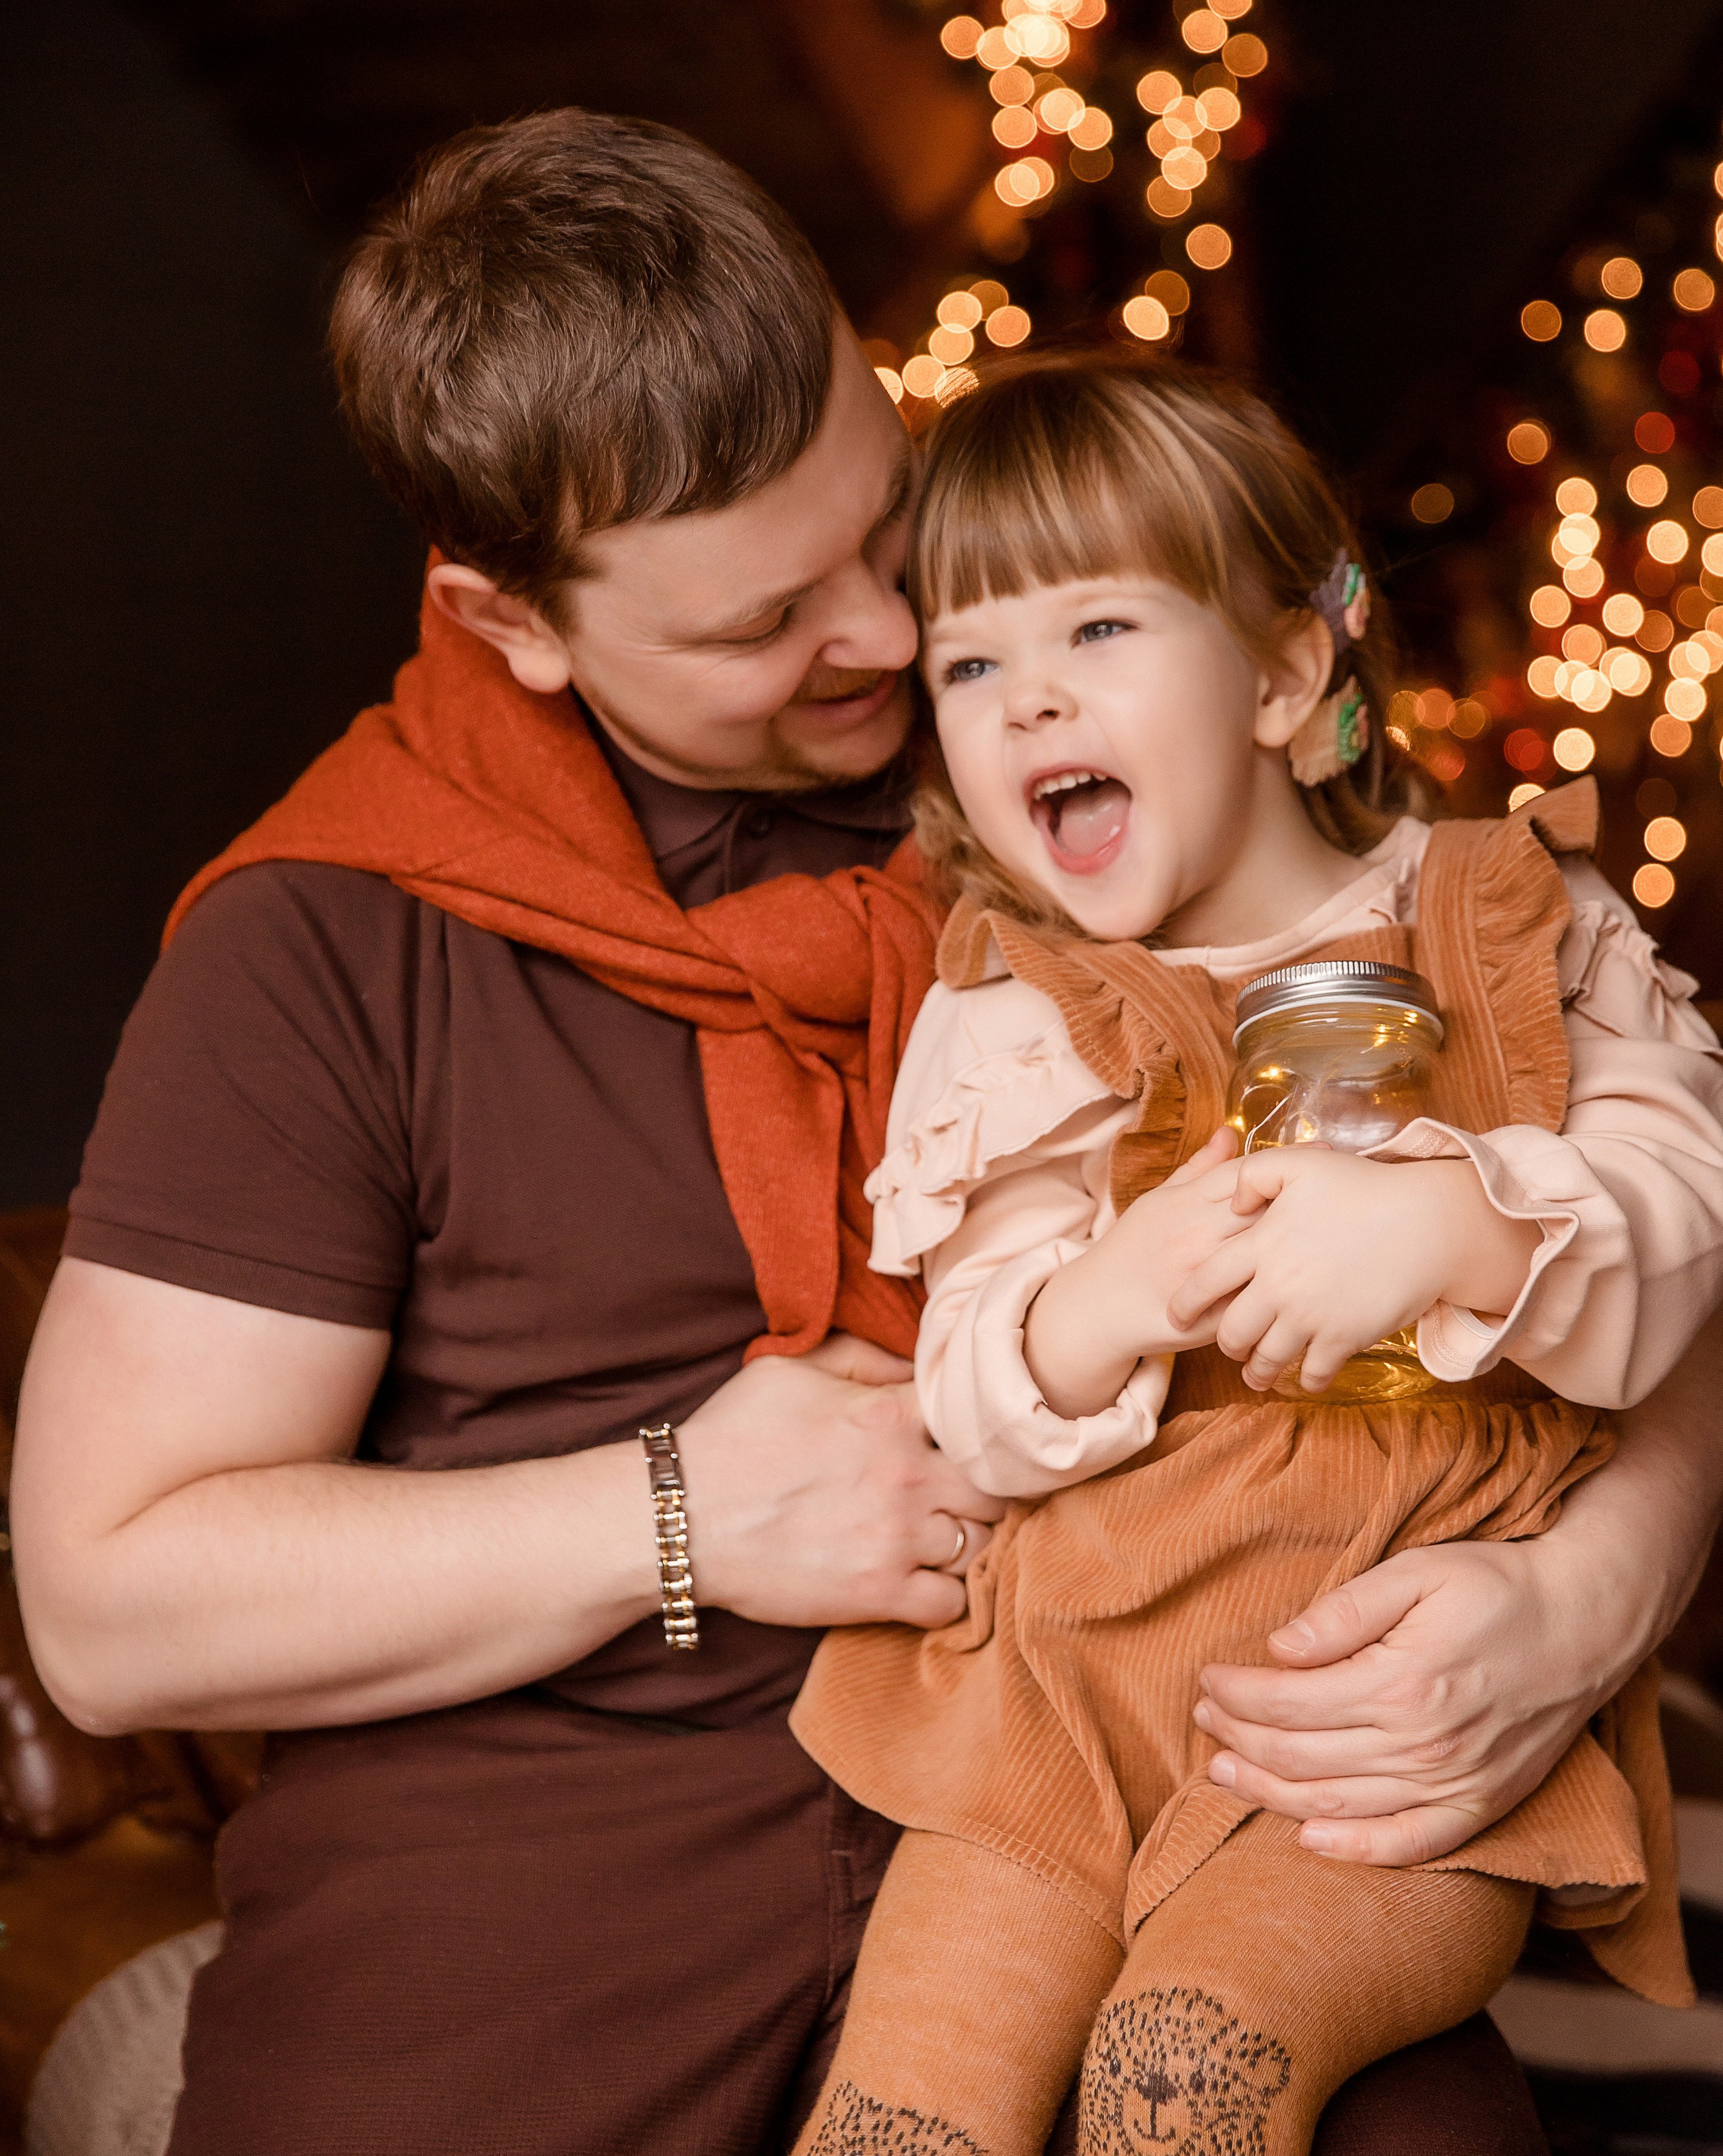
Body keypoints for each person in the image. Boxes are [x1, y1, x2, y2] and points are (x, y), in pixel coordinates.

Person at [8, 109, 1722, 2156]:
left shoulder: (1105, 728)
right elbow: (113, 1605)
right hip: (551, 1909)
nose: (900, 648)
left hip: (1197, 1804)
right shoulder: (328, 941)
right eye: (761, 623)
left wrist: (1595, 1587)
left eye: (880, 524)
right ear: (509, 621)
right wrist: (669, 1512)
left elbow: (1608, 1176)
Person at [787, 355, 1723, 2156]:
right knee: (903, 2117)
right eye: (971, 661)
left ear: (1289, 676)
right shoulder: (1010, 1012)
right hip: (1051, 1708)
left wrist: (1455, 1219)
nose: (1027, 693)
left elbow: (1682, 1206)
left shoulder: (1514, 921)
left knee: (1182, 2064)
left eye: (1099, 628)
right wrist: (1099, 1300)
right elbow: (971, 1390)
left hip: (1360, 1721)